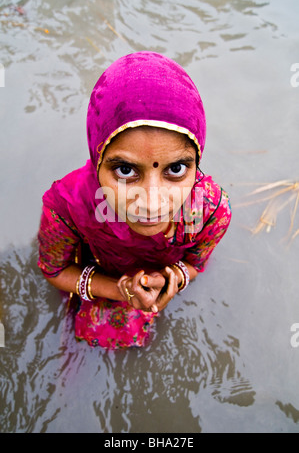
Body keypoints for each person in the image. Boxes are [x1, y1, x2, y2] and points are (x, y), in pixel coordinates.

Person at [37, 51, 231, 349]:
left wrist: (174, 280)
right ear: (96, 159)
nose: (152, 204)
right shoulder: (70, 205)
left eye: (176, 169)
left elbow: (195, 263)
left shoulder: (207, 210)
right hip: (102, 272)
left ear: (196, 163)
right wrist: (119, 291)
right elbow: (55, 270)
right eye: (125, 170)